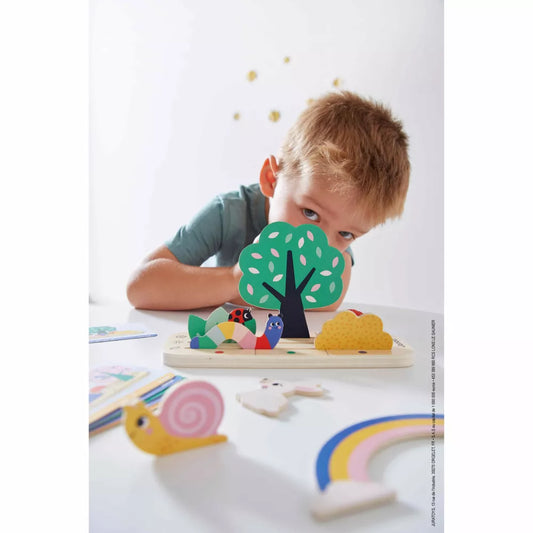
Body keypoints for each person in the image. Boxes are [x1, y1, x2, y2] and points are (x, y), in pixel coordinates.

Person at [127, 90, 410, 311]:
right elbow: (140, 287)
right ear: (271, 179)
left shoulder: (332, 247)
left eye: (346, 234)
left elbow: (329, 302)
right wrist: (236, 279)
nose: (318, 243)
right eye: (310, 214)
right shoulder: (228, 213)